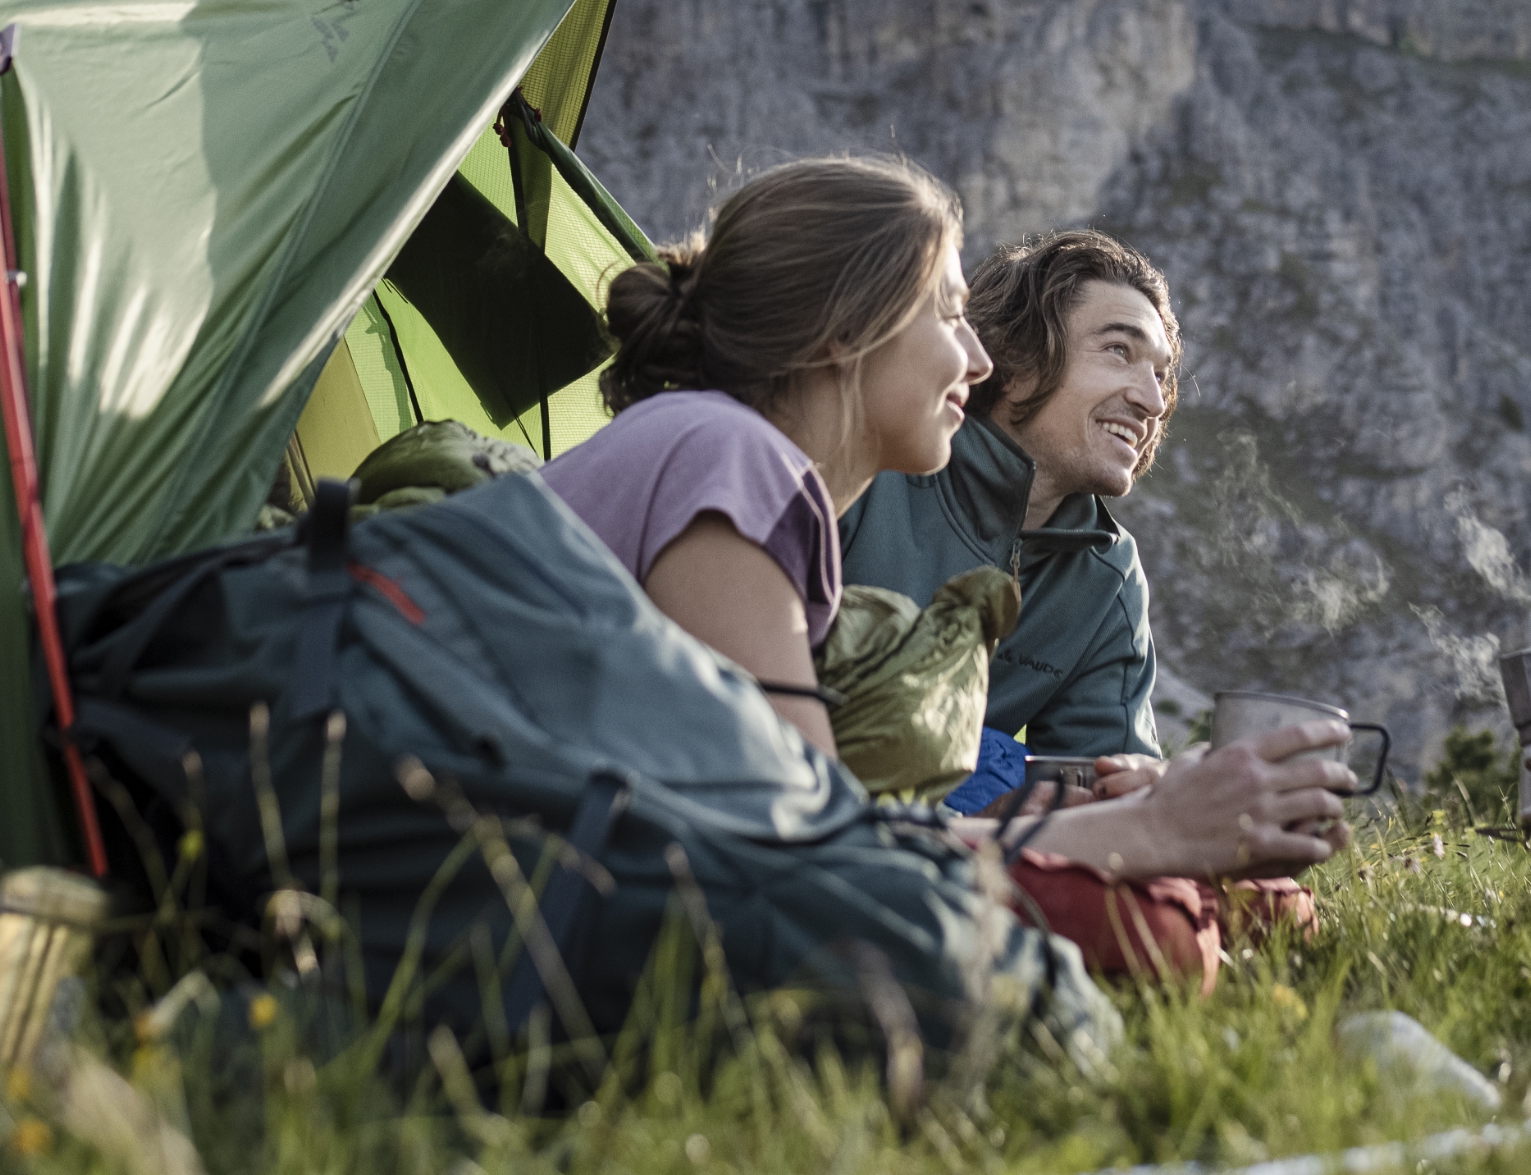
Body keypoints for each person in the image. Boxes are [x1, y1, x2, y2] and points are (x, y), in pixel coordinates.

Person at [534, 158, 1354, 893]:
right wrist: (1141, 833)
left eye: (1163, 374)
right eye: (951, 316)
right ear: (852, 329)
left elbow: (798, 814)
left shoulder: (738, 455)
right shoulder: (733, 456)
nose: (977, 357)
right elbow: (806, 841)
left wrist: (1133, 810)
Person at [839, 230, 1181, 810]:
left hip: (932, 837)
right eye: (1120, 351)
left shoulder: (1105, 577)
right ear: (1015, 360)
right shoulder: (871, 468)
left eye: (1161, 374)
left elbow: (1106, 783)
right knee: (994, 764)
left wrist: (1141, 796)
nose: (1151, 400)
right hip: (780, 777)